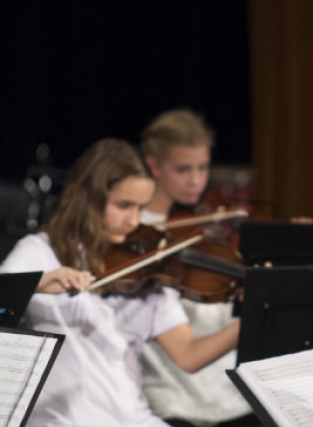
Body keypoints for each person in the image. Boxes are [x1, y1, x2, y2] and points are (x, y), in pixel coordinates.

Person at [0, 138, 240, 427]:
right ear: (87, 198)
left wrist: (247, 319)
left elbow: (188, 354)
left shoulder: (147, 265)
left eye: (141, 208)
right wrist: (40, 282)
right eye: (124, 205)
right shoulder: (39, 251)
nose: (134, 220)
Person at [138, 109, 254, 427]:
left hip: (228, 390)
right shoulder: (133, 238)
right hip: (171, 395)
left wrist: (245, 293)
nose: (196, 181)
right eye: (183, 169)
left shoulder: (210, 228)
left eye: (202, 168)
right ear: (153, 165)